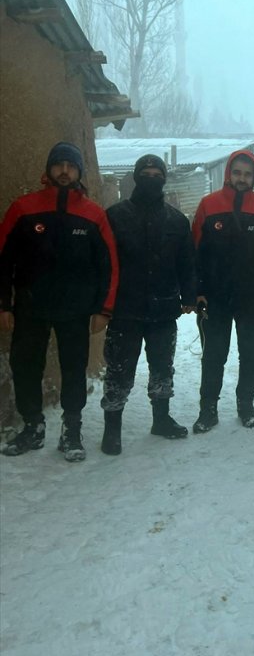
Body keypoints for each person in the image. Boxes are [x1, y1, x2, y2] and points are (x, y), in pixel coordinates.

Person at [0, 142, 118, 461]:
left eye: (71, 166)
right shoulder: (23, 209)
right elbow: (3, 259)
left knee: (74, 369)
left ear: (79, 172)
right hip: (30, 306)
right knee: (25, 367)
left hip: (76, 310)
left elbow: (108, 266)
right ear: (49, 170)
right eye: (58, 165)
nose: (64, 171)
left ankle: (72, 430)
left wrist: (103, 309)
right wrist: (4, 305)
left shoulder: (93, 214)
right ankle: (33, 427)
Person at [99, 154, 197, 455]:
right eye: (146, 173)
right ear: (136, 176)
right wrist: (102, 304)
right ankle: (112, 429)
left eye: (157, 174)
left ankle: (161, 419)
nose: (152, 178)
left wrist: (190, 297)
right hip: (125, 309)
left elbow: (187, 263)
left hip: (164, 308)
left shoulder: (177, 220)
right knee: (119, 369)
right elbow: (102, 264)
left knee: (162, 367)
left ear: (164, 179)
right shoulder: (115, 216)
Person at [191, 149, 254, 432]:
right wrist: (195, 291)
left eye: (247, 174)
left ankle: (246, 404)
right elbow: (193, 252)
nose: (242, 178)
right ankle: (208, 409)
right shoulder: (208, 205)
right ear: (228, 174)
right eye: (237, 173)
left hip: (252, 297)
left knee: (250, 353)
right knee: (213, 354)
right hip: (214, 297)